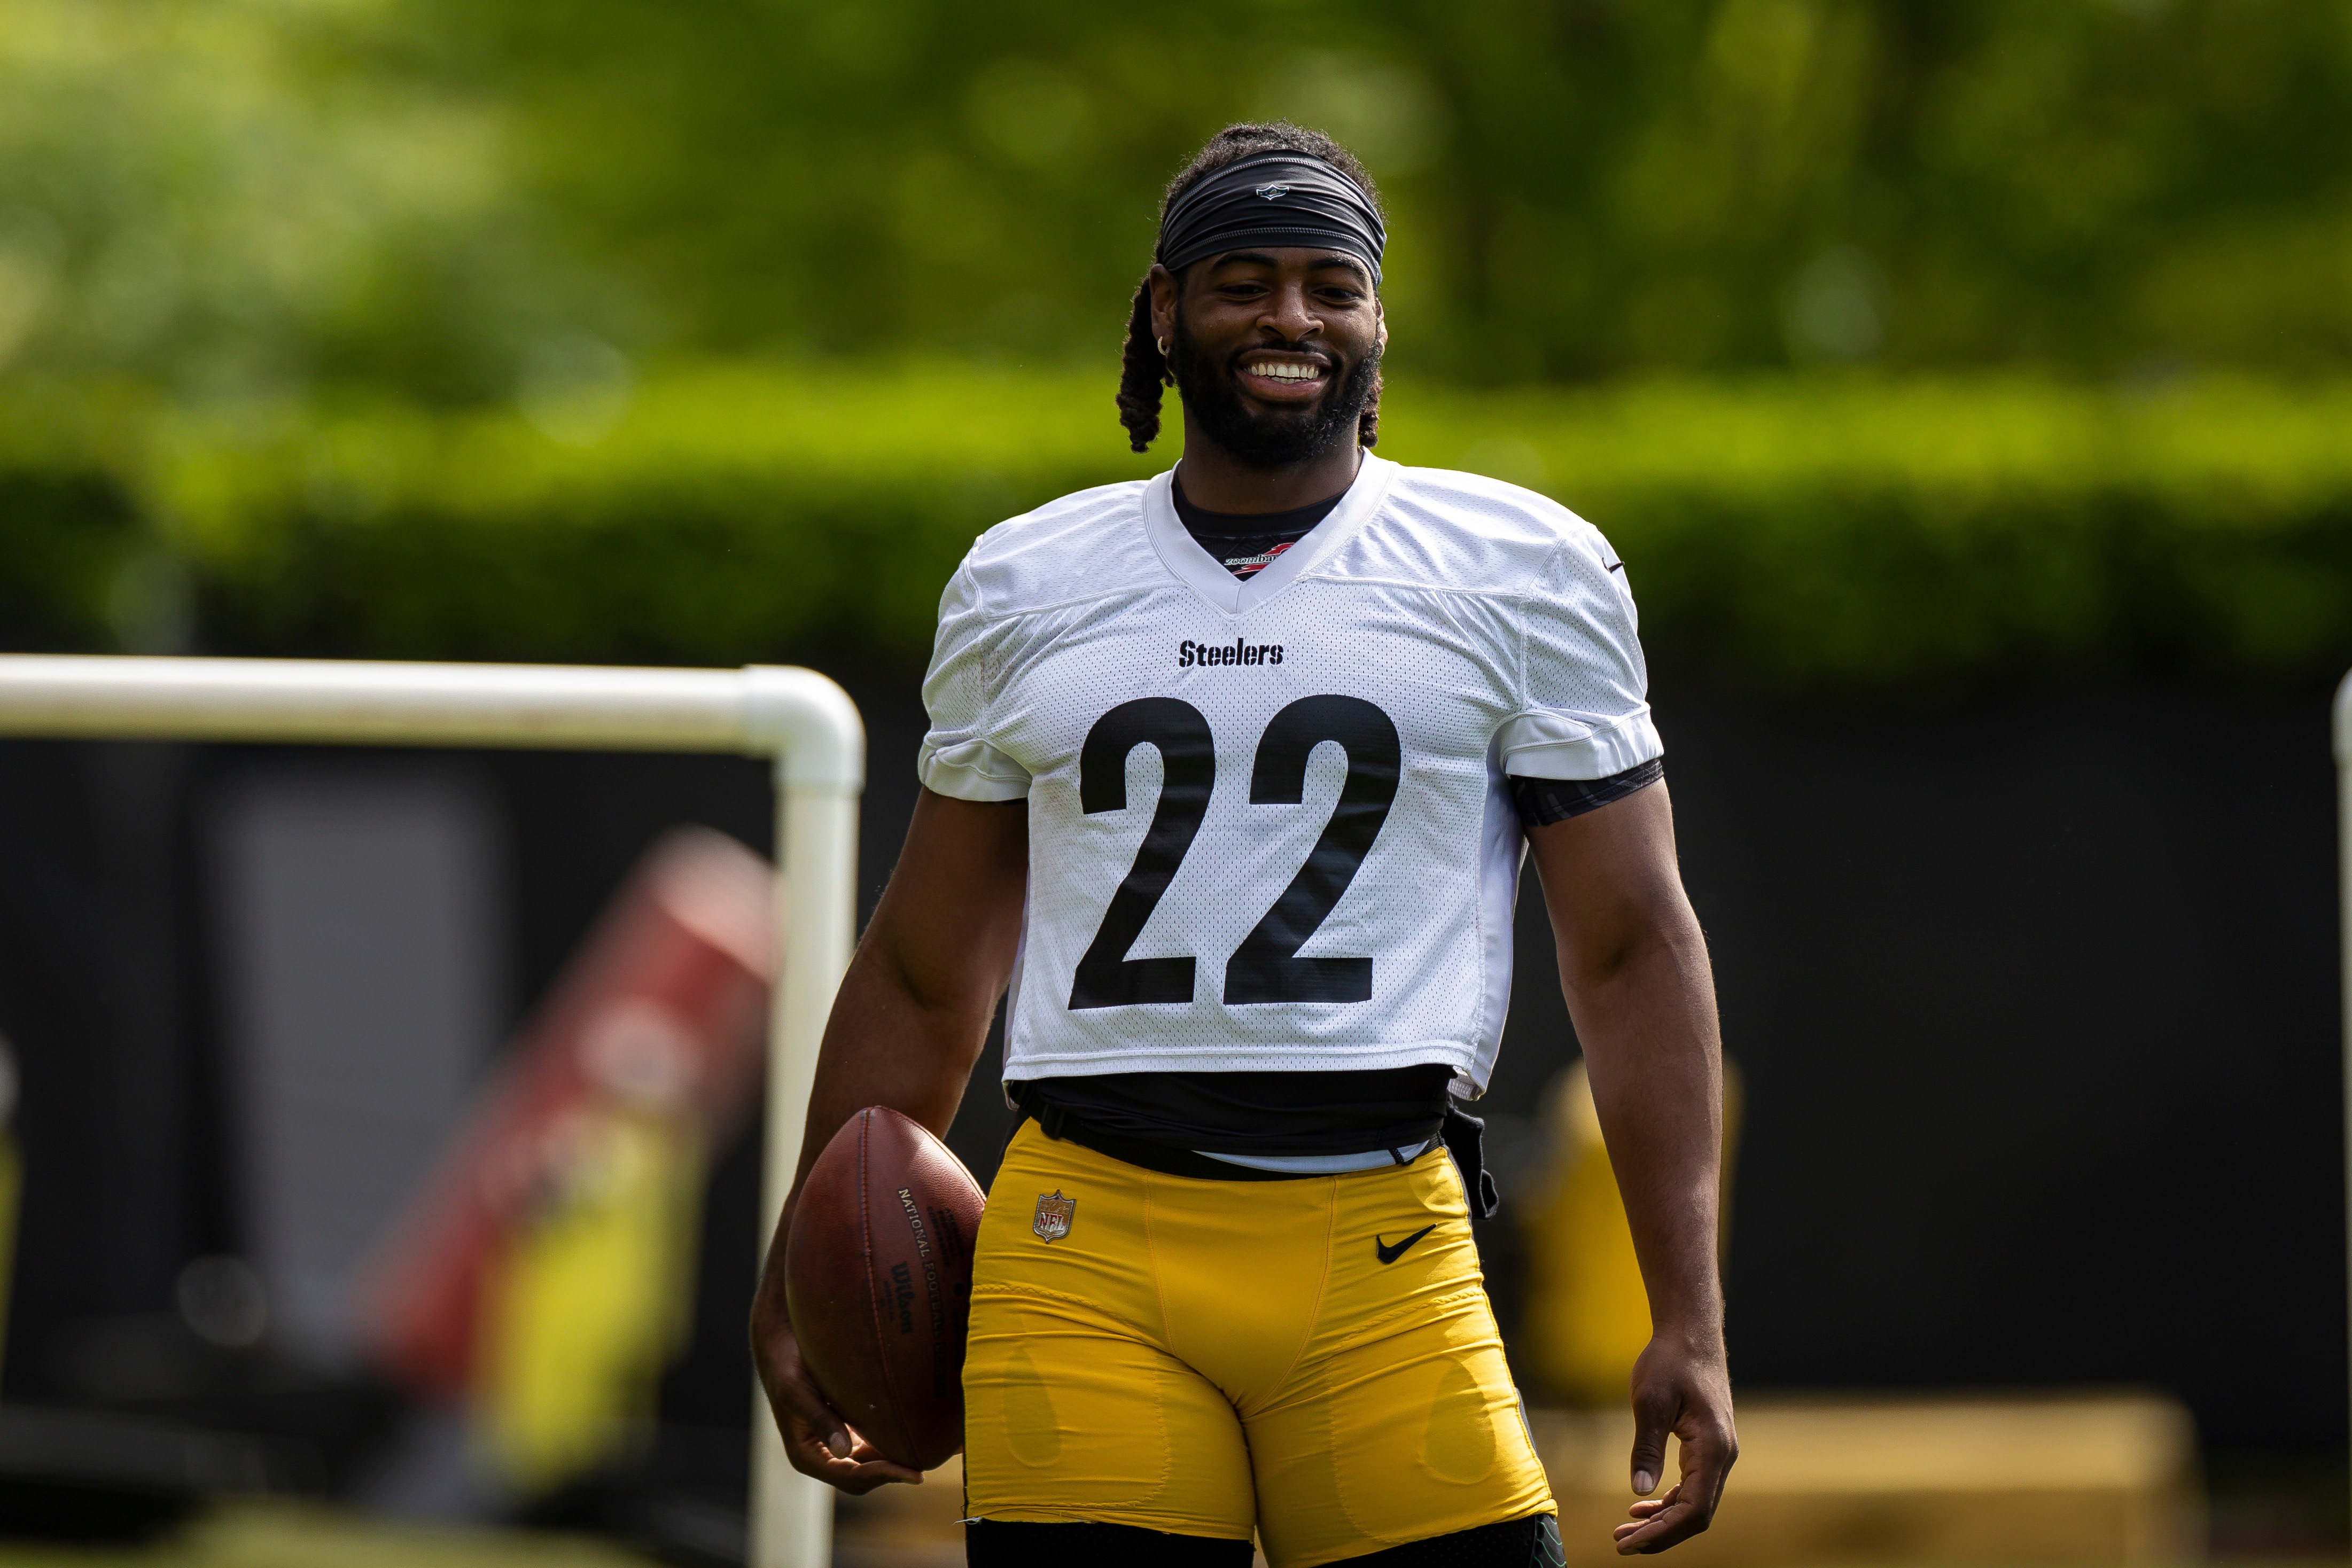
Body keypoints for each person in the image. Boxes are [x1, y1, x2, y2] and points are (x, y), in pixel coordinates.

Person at [751, 121, 1735, 1567]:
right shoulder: (1030, 579)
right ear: (1163, 312)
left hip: (1381, 1239)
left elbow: (1630, 944)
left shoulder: (1518, 568)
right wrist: (797, 1267)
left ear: (1375, 320)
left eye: (1329, 285)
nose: (1289, 317)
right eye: (1241, 281)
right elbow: (919, 970)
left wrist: (1689, 1313)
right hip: (1082, 1244)